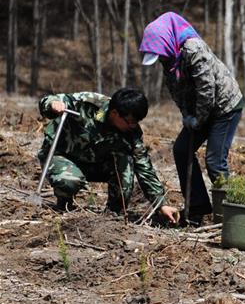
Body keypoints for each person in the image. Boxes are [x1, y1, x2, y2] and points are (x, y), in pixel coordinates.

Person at [140, 12, 243, 225]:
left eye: (159, 54)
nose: (160, 59)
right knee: (181, 150)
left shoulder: (193, 49)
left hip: (224, 107)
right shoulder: (168, 57)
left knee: (215, 161)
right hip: (200, 110)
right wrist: (186, 115)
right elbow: (177, 90)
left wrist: (199, 119)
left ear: (166, 41)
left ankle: (227, 216)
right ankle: (197, 208)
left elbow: (207, 89)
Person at [37, 87, 179, 223]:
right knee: (69, 182)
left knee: (126, 161)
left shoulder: (131, 132)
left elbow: (144, 167)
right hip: (62, 156)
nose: (133, 126)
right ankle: (64, 205)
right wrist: (52, 104)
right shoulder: (89, 103)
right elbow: (48, 101)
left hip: (95, 163)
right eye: (130, 122)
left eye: (136, 122)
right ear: (115, 113)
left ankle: (114, 214)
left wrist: (161, 204)